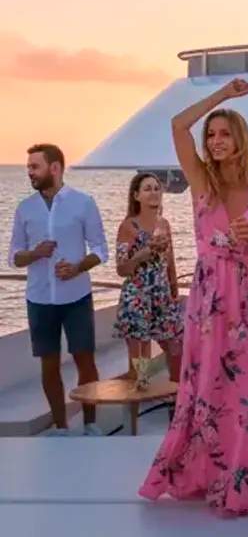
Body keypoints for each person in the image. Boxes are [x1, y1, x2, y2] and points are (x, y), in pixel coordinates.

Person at [139, 79, 248, 516]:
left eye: (225, 133)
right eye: (211, 134)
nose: (216, 141)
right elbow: (176, 125)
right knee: (207, 391)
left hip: (247, 298)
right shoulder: (200, 180)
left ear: (240, 140)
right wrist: (222, 95)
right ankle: (211, 474)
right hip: (207, 302)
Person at [8, 144, 108, 436]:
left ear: (55, 168)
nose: (30, 172)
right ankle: (61, 425)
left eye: (34, 167)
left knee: (84, 360)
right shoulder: (24, 209)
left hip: (76, 296)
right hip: (38, 299)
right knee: (48, 364)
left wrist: (78, 267)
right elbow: (13, 257)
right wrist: (35, 254)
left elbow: (101, 250)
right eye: (28, 167)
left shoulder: (83, 203)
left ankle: (90, 423)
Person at [114, 172, 184, 384]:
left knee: (176, 348)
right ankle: (133, 414)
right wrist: (141, 255)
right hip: (137, 298)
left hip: (162, 297)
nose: (154, 192)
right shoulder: (128, 226)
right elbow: (122, 268)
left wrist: (174, 289)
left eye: (156, 188)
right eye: (147, 189)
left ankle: (176, 401)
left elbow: (169, 261)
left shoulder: (164, 224)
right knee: (140, 368)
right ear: (136, 196)